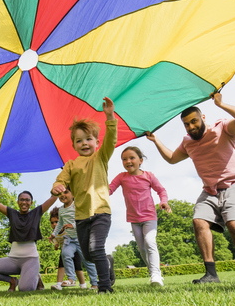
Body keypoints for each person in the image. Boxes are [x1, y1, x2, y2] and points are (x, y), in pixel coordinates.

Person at [145, 93, 235, 283]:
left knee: (234, 224)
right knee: (199, 221)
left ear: (203, 118)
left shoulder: (222, 127)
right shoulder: (187, 142)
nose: (191, 127)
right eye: (186, 124)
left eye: (194, 121)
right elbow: (172, 159)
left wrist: (221, 104)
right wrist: (156, 140)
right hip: (210, 191)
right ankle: (211, 275)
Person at [52, 97, 117, 293]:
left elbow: (111, 140)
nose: (84, 143)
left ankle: (105, 288)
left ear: (97, 142)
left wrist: (110, 117)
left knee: (96, 248)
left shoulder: (101, 156)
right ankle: (107, 261)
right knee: (89, 255)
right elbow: (61, 179)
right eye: (79, 141)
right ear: (74, 145)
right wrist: (57, 186)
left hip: (101, 212)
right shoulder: (71, 164)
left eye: (88, 139)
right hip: (81, 216)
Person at [0, 172, 57, 292]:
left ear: (31, 202)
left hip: (30, 259)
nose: (24, 202)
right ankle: (12, 281)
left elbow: (53, 198)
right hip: (13, 260)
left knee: (25, 289)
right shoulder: (12, 213)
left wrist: (62, 182)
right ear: (17, 201)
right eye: (21, 199)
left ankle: (36, 276)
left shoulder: (36, 213)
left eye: (27, 200)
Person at [109, 146, 171, 287]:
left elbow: (161, 190)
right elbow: (110, 189)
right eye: (124, 159)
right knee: (142, 249)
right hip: (134, 219)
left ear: (141, 160)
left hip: (149, 216)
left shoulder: (148, 176)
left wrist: (164, 202)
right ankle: (153, 272)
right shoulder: (121, 177)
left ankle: (156, 274)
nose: (128, 161)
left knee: (150, 242)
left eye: (132, 158)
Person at [49, 189, 99, 290]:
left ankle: (95, 284)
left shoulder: (77, 206)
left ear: (73, 195)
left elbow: (85, 219)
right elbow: (60, 223)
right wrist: (53, 234)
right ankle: (71, 279)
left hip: (82, 238)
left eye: (66, 192)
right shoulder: (61, 210)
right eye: (60, 193)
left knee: (87, 261)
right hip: (70, 239)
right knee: (65, 253)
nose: (62, 195)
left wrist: (73, 225)